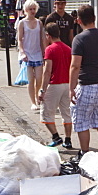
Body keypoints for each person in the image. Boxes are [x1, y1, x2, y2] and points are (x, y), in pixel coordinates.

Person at [69, 4, 98, 154]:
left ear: (78, 20)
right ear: (94, 18)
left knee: (82, 122)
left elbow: (75, 66)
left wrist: (71, 88)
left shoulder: (79, 39)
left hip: (87, 84)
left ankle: (85, 154)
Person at [39, 22, 73, 150]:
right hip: (67, 84)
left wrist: (42, 90)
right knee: (66, 113)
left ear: (48, 35)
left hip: (54, 85)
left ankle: (56, 137)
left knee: (46, 113)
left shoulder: (50, 49)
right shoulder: (68, 49)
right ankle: (68, 140)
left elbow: (47, 71)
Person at [17, 0, 47, 110]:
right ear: (26, 10)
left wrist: (45, 53)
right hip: (27, 55)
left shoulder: (39, 22)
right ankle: (33, 102)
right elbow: (19, 39)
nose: (33, 11)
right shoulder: (22, 23)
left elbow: (42, 38)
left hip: (38, 53)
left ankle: (37, 96)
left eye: (34, 9)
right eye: (30, 9)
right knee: (30, 80)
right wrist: (22, 52)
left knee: (39, 79)